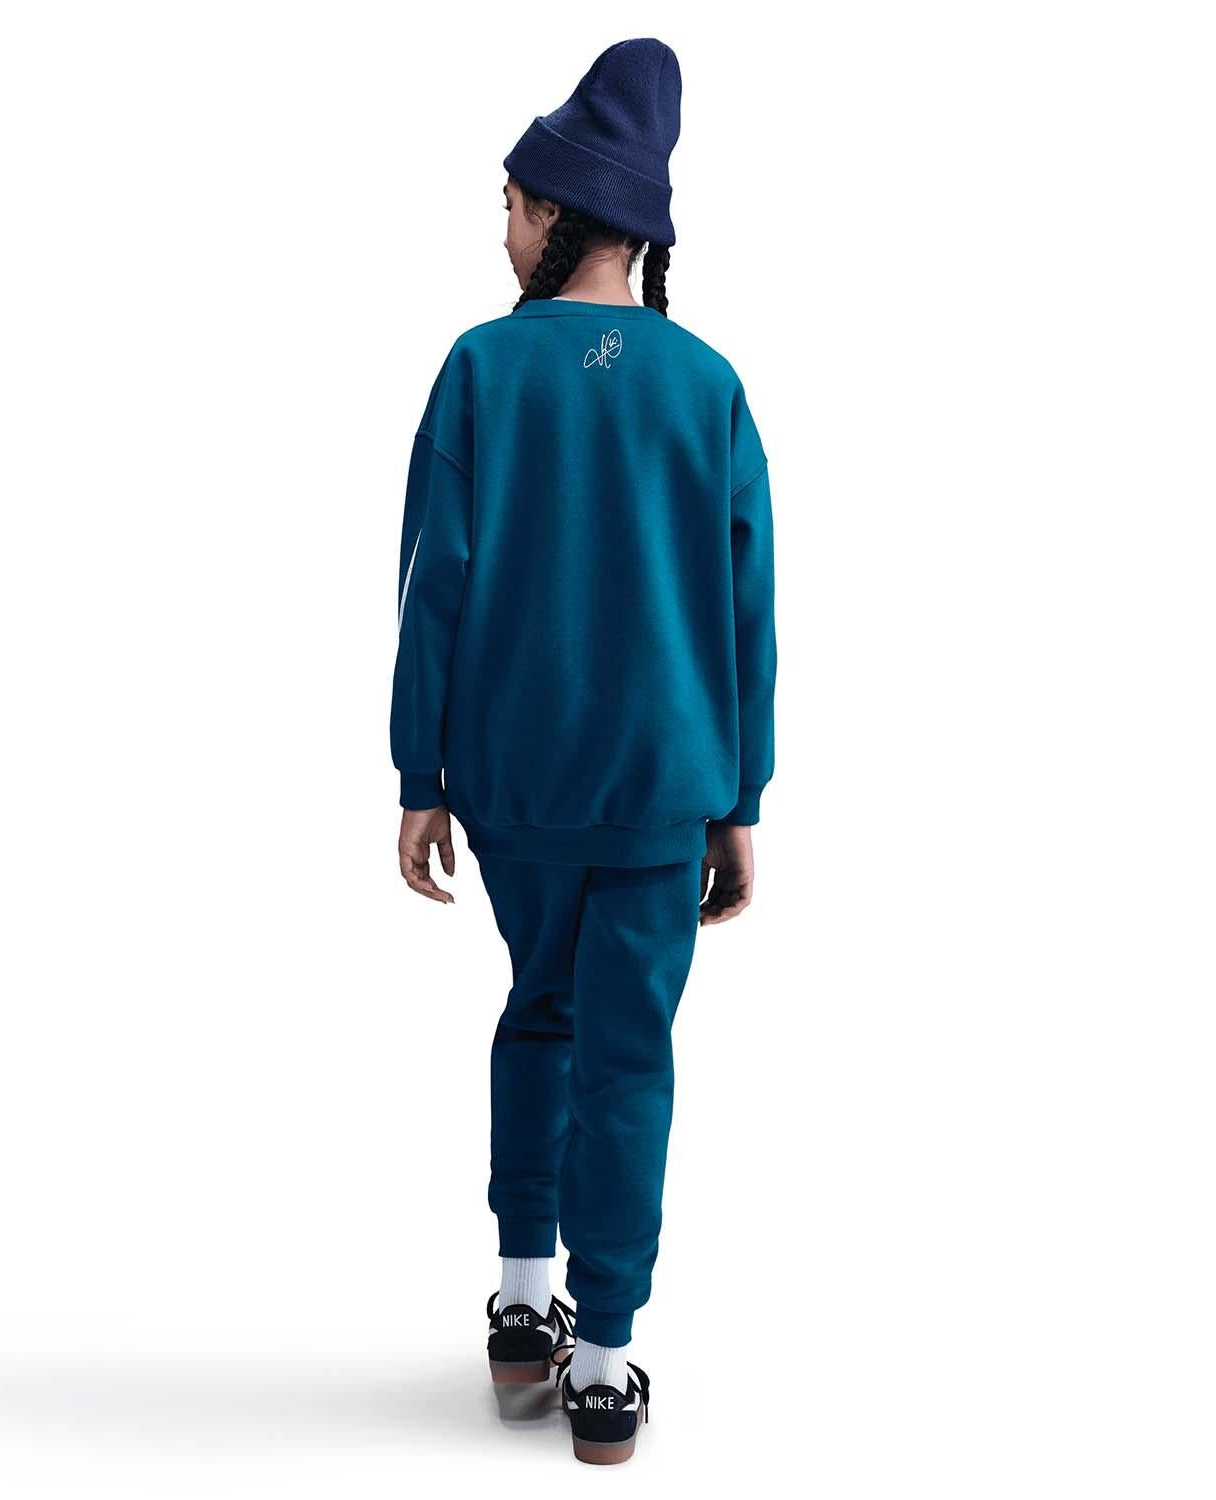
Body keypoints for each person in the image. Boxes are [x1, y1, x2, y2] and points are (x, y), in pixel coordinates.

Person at [388, 37, 775, 1465]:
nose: (501, 228)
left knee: (539, 1011)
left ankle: (519, 1305)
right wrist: (741, 796)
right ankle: (603, 1365)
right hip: (667, 785)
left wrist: (420, 776)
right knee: (630, 1056)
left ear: (560, 213)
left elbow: (433, 582)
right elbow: (746, 610)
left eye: (510, 204)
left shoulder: (483, 370)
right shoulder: (707, 386)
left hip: (517, 784)